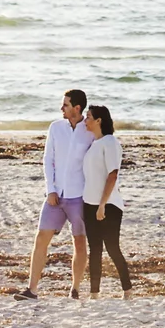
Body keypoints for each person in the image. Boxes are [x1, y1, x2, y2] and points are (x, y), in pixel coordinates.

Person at [20, 88, 90, 299]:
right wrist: (50, 189)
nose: (62, 108)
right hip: (55, 197)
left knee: (79, 241)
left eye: (66, 104)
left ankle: (75, 289)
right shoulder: (55, 128)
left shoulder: (90, 130)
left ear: (77, 108)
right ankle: (32, 289)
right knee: (41, 238)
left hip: (79, 197)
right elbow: (47, 160)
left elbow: (97, 162)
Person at [80, 103, 130, 299]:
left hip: (108, 205)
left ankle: (127, 290)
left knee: (112, 248)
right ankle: (94, 293)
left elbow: (113, 175)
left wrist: (102, 204)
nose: (86, 120)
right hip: (89, 203)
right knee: (95, 249)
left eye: (88, 117)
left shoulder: (110, 142)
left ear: (99, 120)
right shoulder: (94, 144)